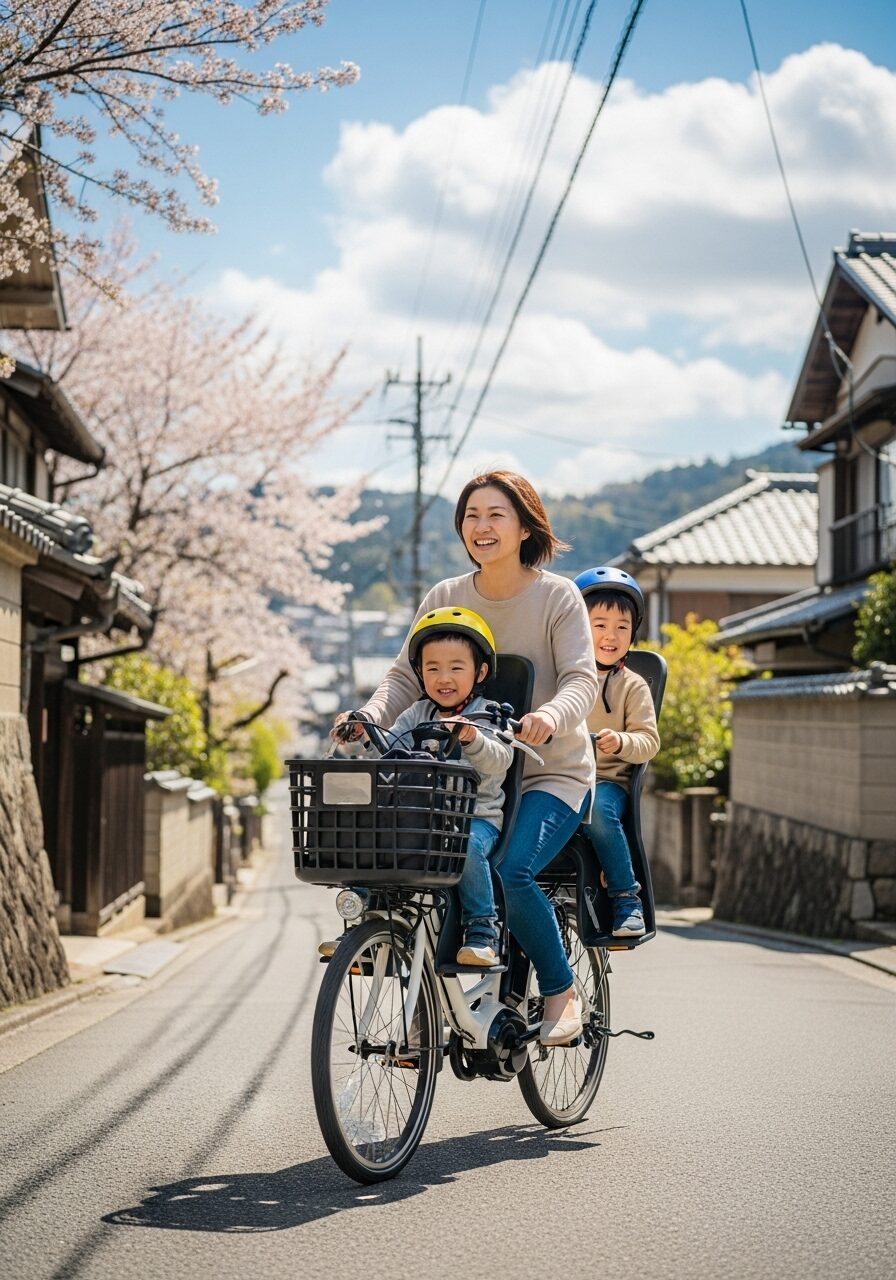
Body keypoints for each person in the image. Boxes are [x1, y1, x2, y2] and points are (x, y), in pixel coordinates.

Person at [339, 471, 598, 1046]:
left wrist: (551, 716)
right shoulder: (445, 597)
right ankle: (427, 1000)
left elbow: (582, 678)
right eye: (472, 515)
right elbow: (405, 678)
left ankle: (560, 991)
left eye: (496, 514)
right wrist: (371, 718)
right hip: (460, 777)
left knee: (512, 868)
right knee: (421, 860)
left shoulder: (557, 596)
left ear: (525, 524)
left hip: (549, 770)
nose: (482, 526)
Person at [328, 607, 512, 966]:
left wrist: (472, 736)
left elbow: (500, 760)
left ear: (480, 671)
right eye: (433, 668)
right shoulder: (417, 713)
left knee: (467, 846)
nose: (444, 677)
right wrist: (367, 733)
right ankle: (362, 923)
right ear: (420, 674)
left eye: (456, 667)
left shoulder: (486, 712)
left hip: (476, 818)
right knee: (371, 836)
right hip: (420, 818)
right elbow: (391, 748)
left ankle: (482, 930)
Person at [573, 566, 661, 937]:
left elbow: (649, 741)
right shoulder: (563, 677)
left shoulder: (632, 685)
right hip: (563, 776)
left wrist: (621, 741)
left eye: (622, 627)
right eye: (599, 624)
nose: (611, 635)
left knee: (598, 812)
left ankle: (627, 898)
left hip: (608, 781)